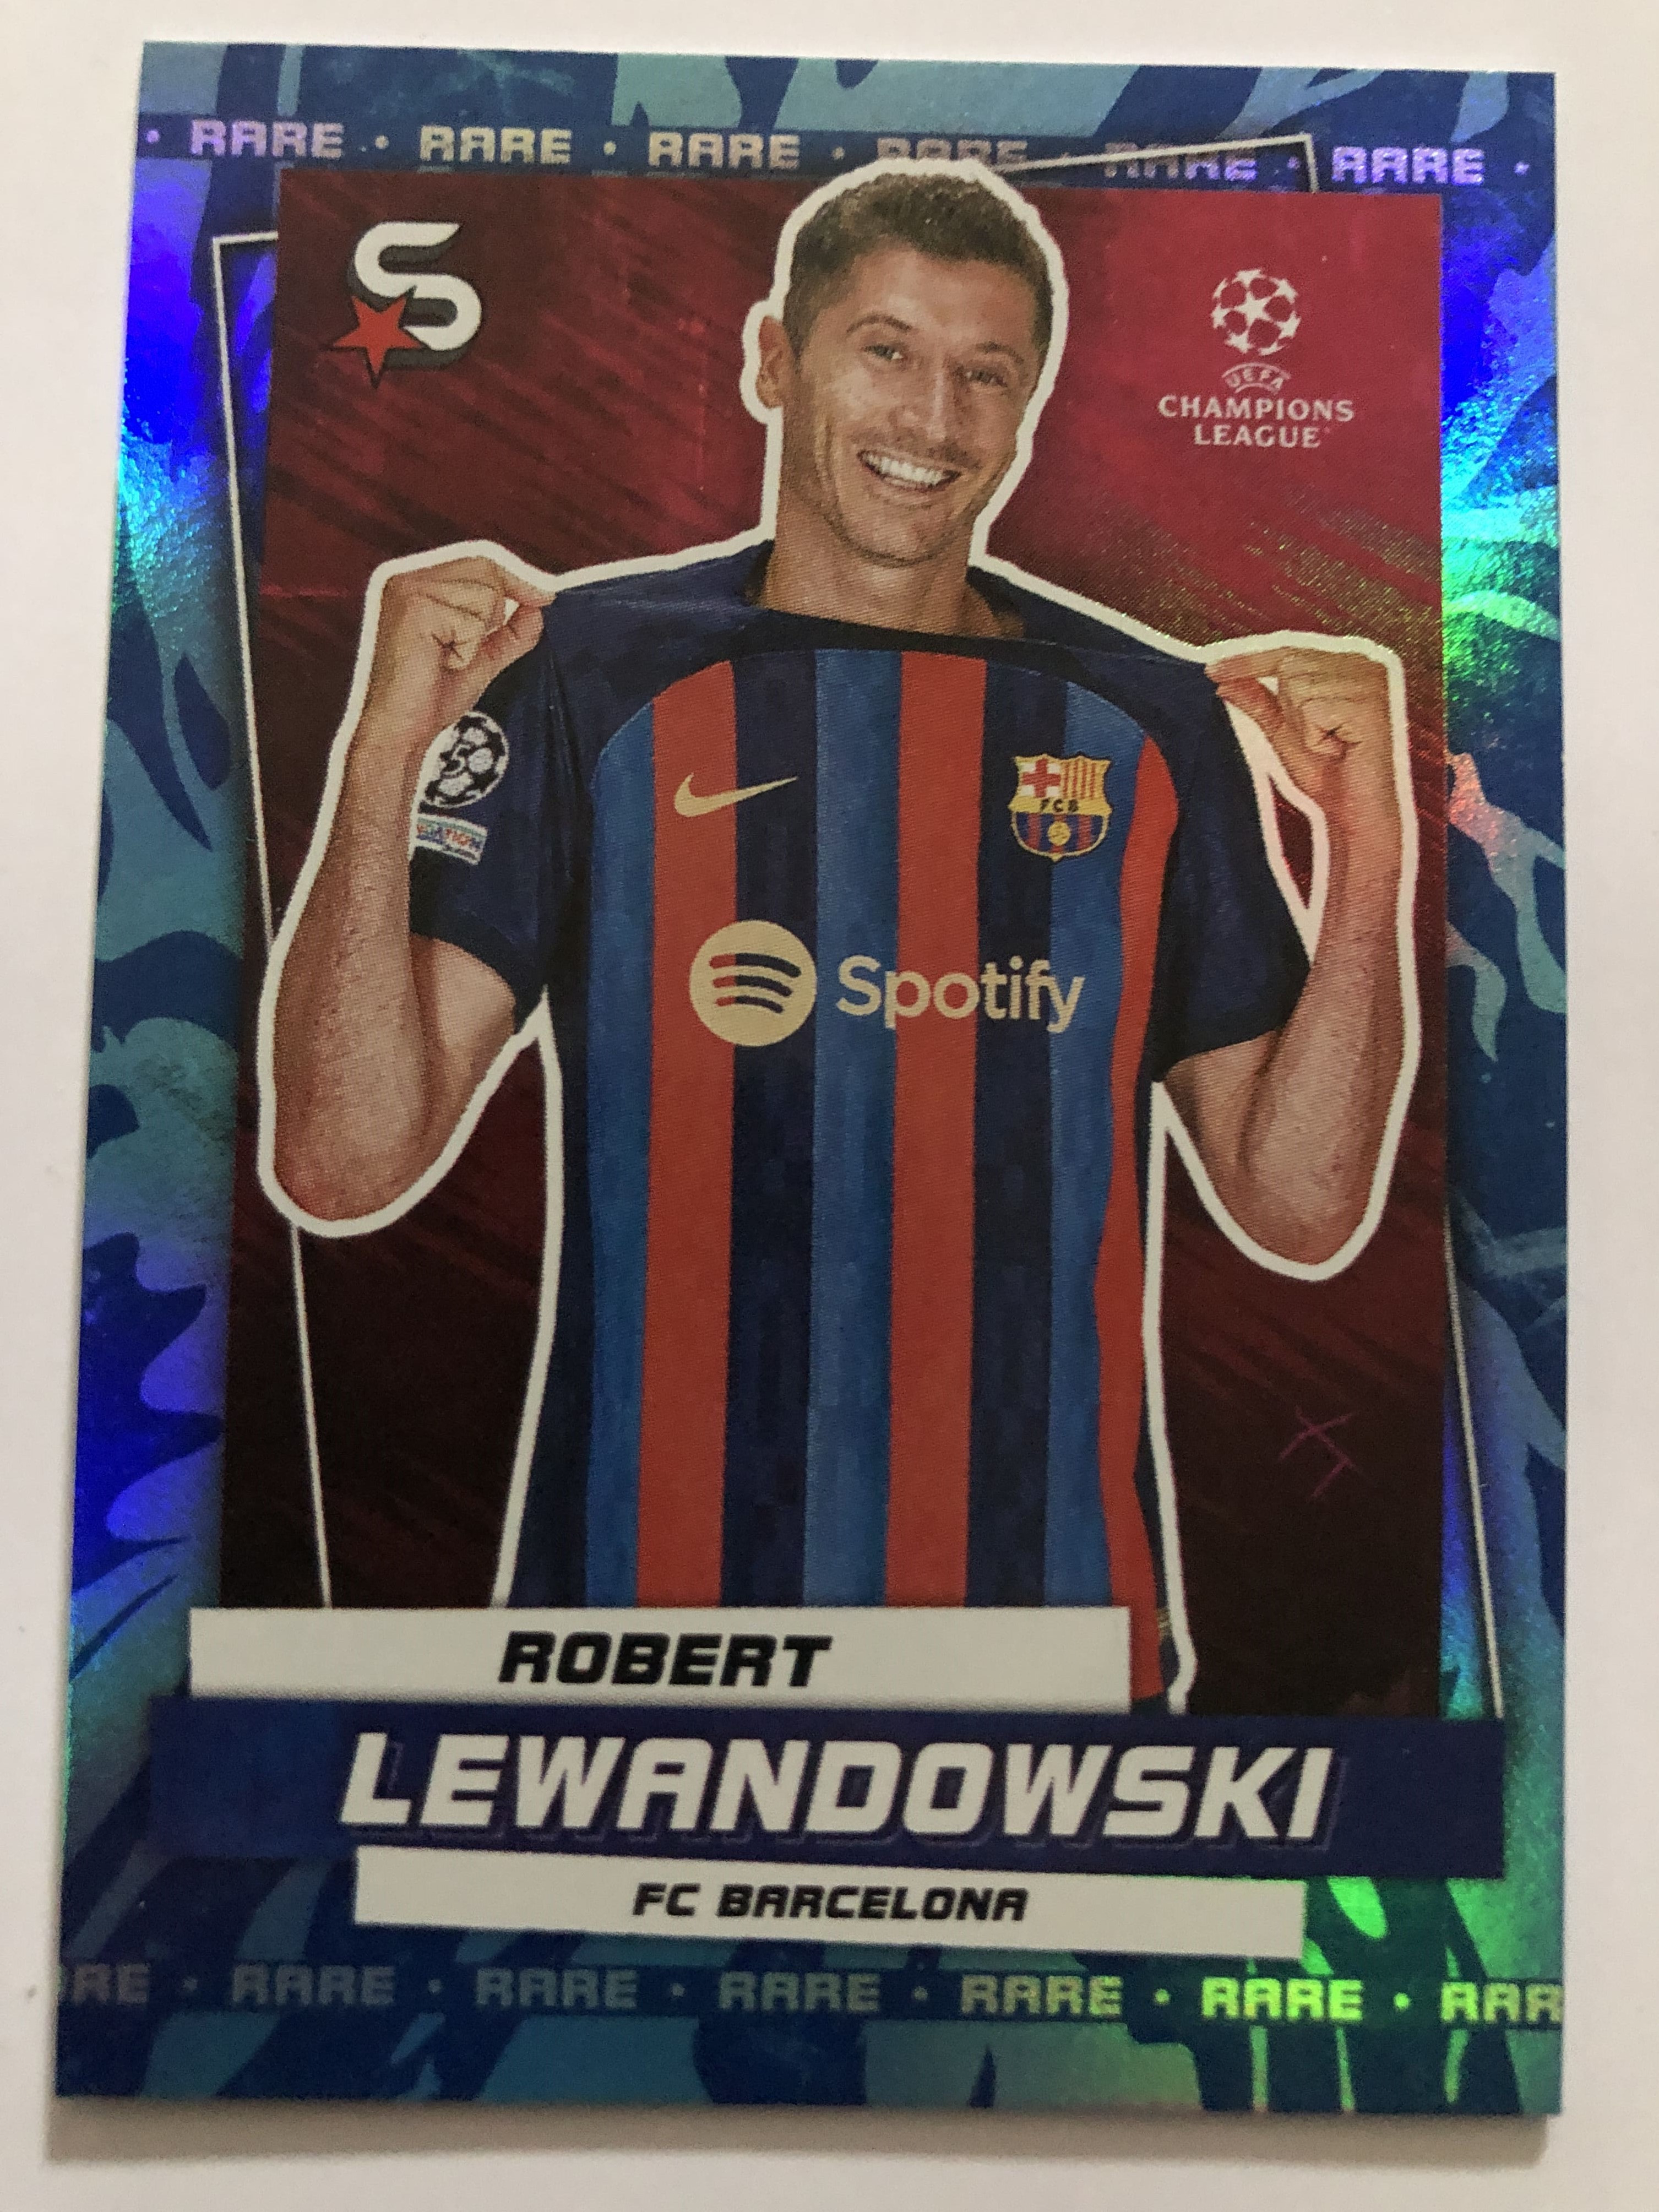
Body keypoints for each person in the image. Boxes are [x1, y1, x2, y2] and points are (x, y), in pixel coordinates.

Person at [265, 164, 1410, 1704]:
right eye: (885, 350)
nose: (933, 418)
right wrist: (380, 754)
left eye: (985, 372)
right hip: (645, 1644)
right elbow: (342, 1162)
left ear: (1028, 409)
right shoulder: (588, 672)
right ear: (771, 361)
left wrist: (1370, 846)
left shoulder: (1146, 718)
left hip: (1045, 1647)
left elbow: (1302, 1207)